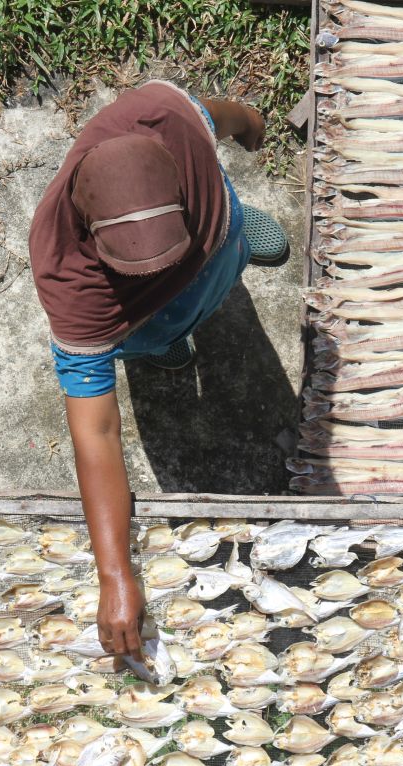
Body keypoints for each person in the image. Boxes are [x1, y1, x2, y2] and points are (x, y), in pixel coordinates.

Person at [28, 80, 288, 659]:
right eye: (135, 267)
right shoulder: (73, 288)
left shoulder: (164, 116)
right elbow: (95, 432)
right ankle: (161, 342)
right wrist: (116, 577)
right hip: (148, 313)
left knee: (228, 250)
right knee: (159, 329)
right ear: (92, 237)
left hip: (214, 230)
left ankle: (239, 241)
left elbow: (219, 115)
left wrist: (249, 121)